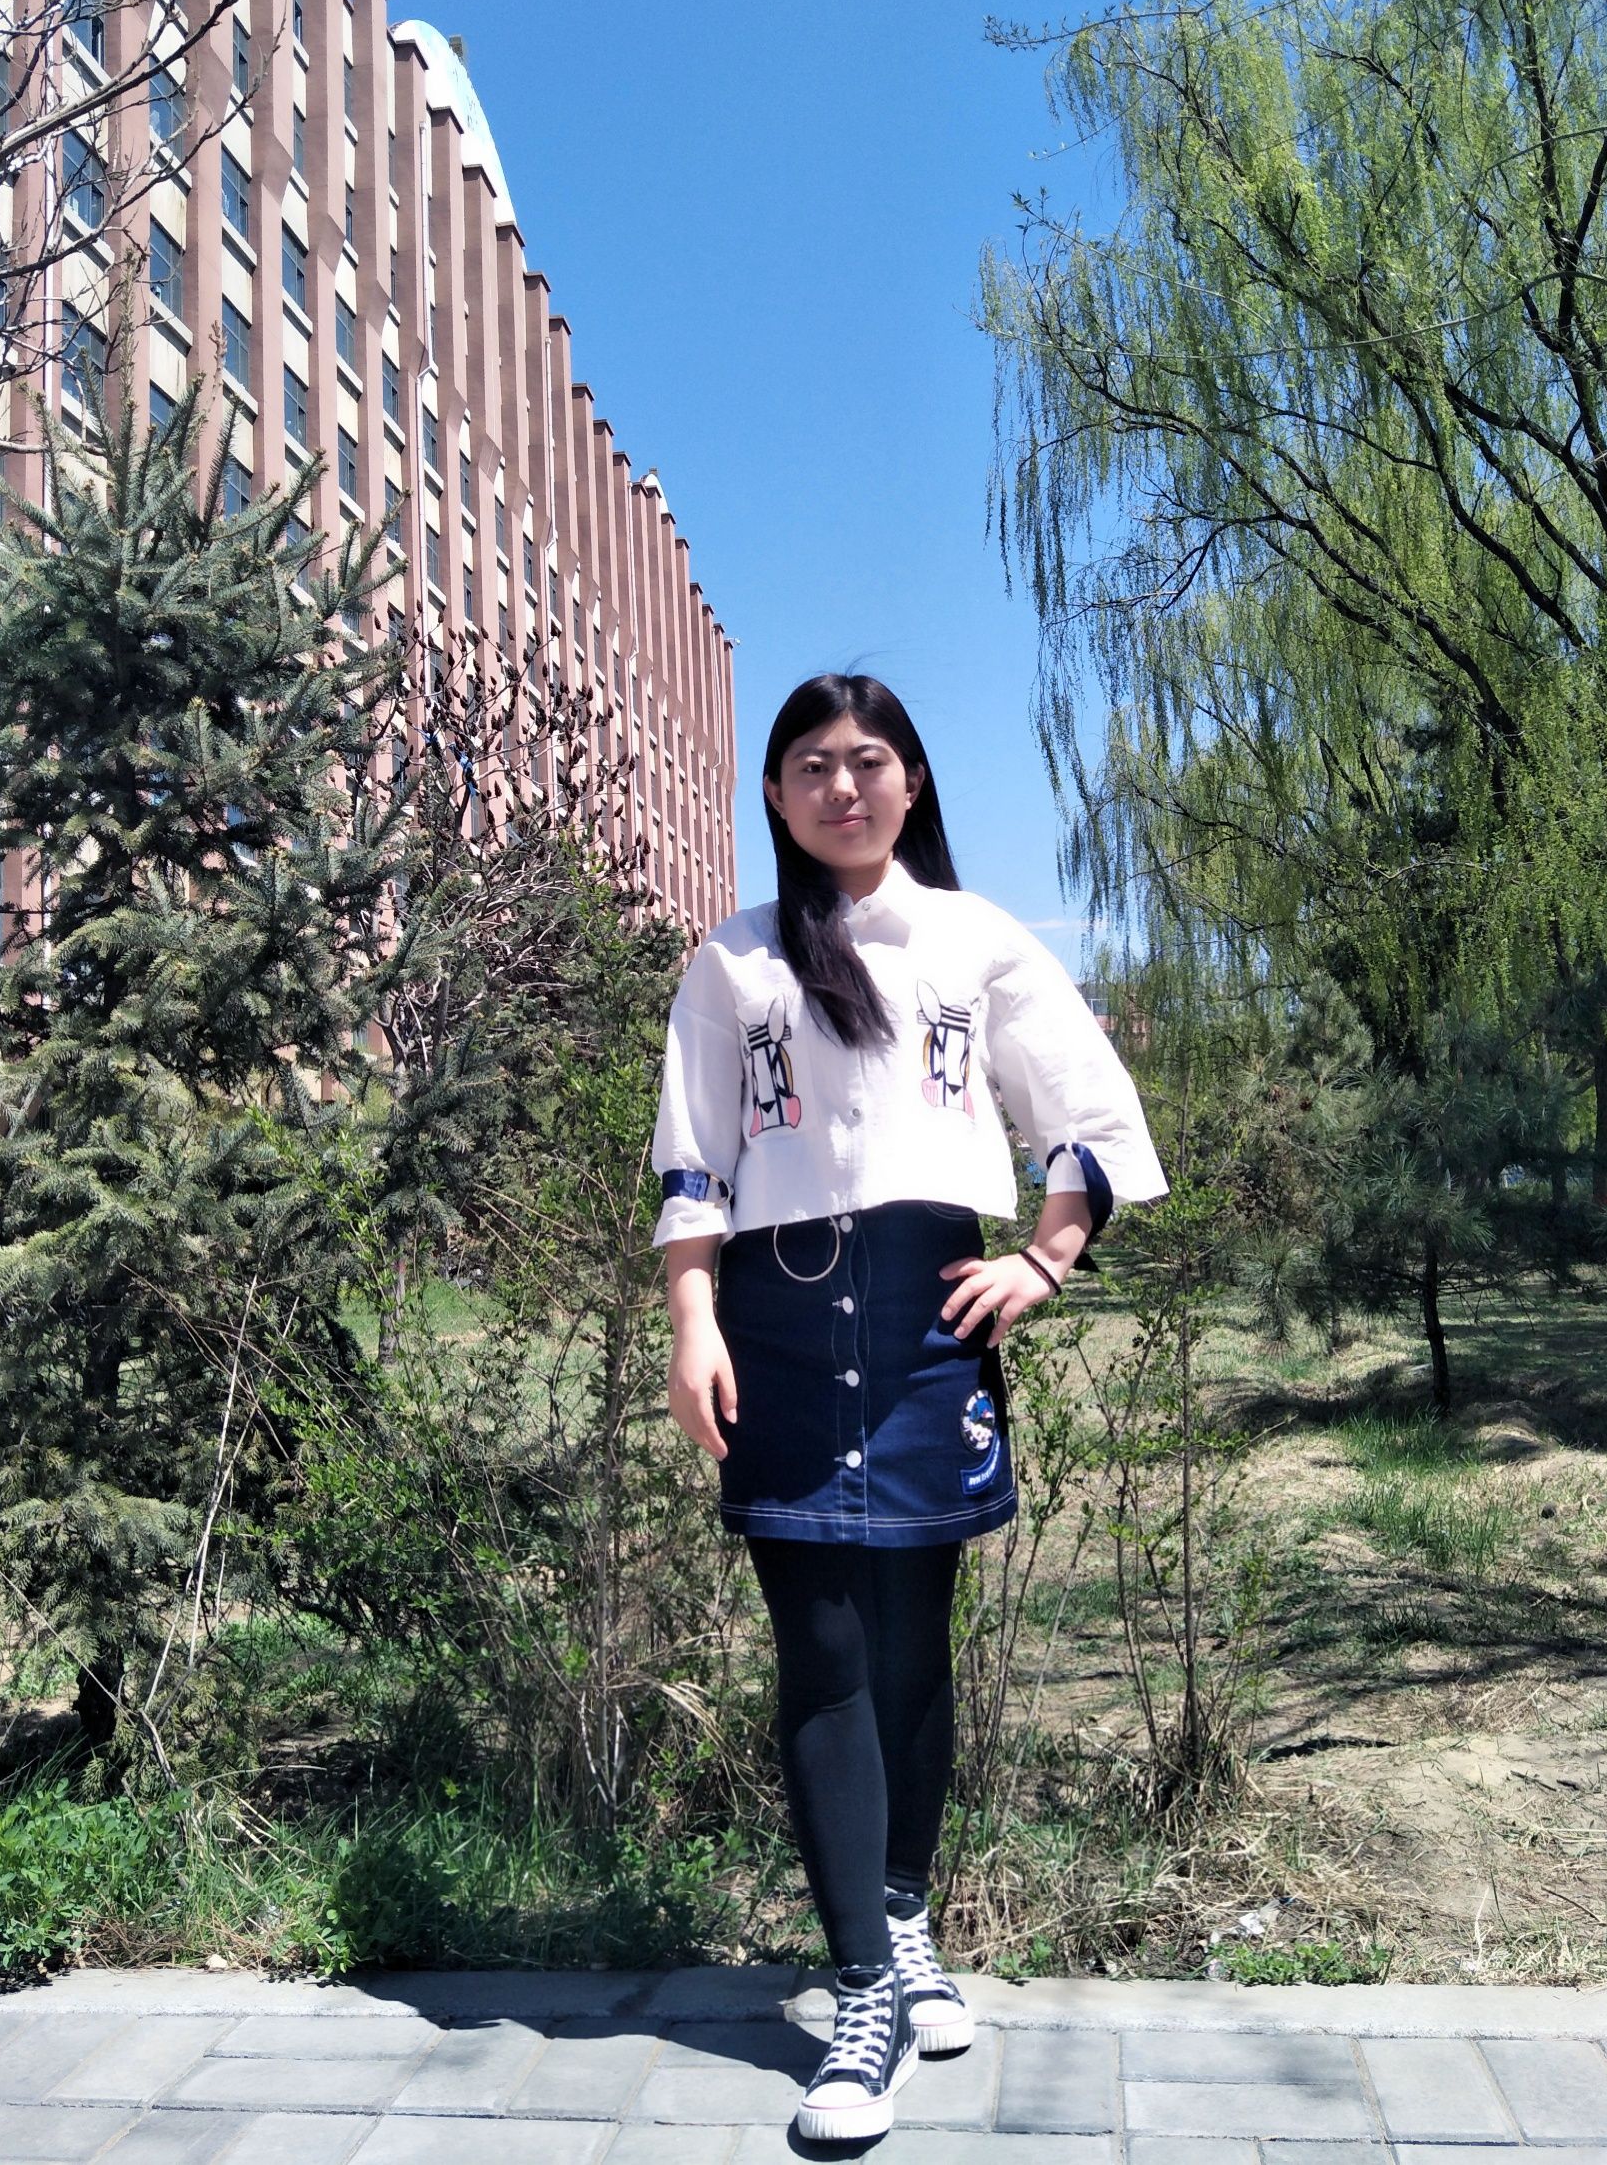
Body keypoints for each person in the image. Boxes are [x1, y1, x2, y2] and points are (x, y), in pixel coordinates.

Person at [652, 672, 1169, 2143]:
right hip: (776, 1328)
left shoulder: (973, 939)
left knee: (909, 1649)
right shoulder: (735, 960)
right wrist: (693, 1325)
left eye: (869, 761)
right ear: (773, 793)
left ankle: (902, 1913)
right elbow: (693, 1161)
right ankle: (864, 1990)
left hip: (927, 1327)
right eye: (812, 765)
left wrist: (1046, 1260)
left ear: (913, 782)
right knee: (820, 1654)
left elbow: (1086, 1111)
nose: (844, 786)